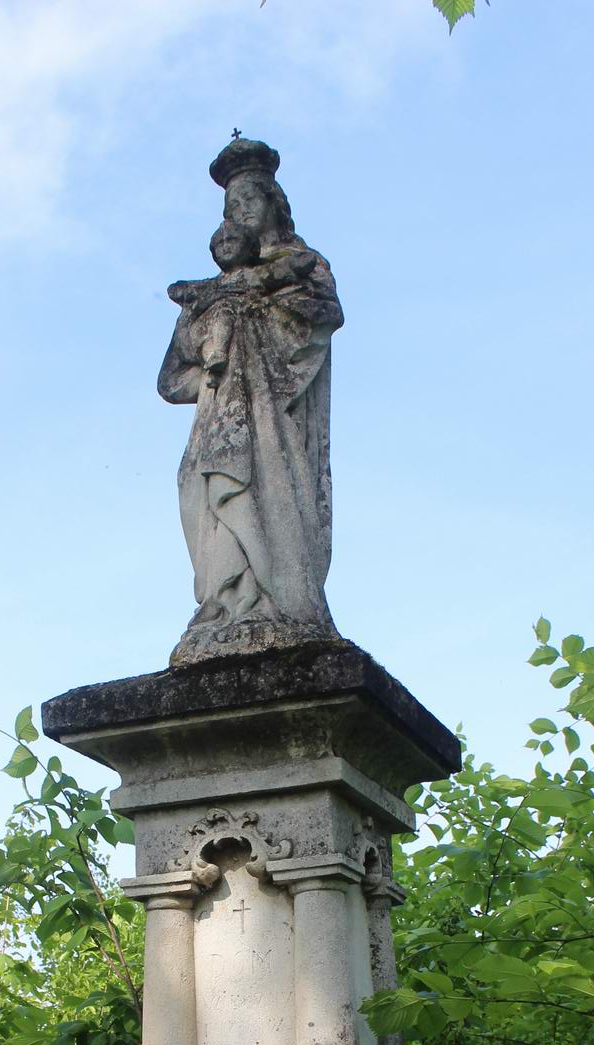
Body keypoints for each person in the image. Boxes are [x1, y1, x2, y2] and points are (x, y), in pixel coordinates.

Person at [158, 140, 344, 662]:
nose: (240, 214)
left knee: (267, 497)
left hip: (272, 419)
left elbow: (320, 319)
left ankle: (277, 605)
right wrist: (214, 373)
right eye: (230, 207)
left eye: (248, 202)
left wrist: (253, 310)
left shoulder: (302, 265)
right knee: (208, 500)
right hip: (219, 422)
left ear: (273, 204)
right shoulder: (205, 297)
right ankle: (225, 605)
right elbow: (171, 380)